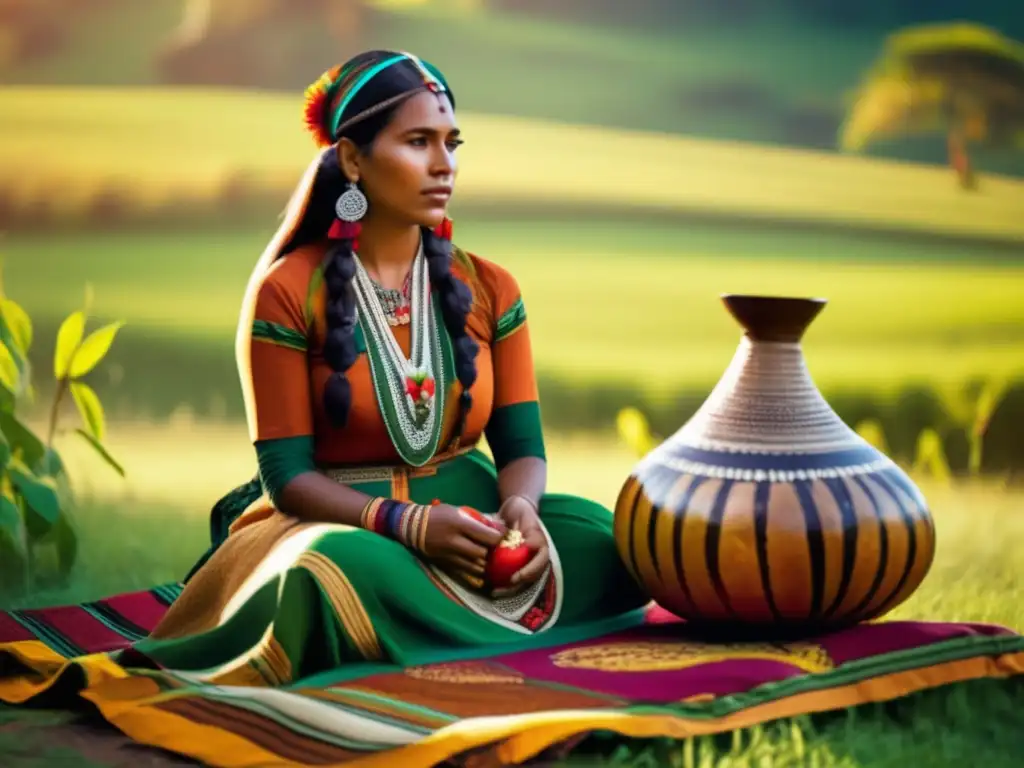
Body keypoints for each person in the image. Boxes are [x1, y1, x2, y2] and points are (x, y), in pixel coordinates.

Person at [118, 50, 650, 680]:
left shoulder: (492, 288)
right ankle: (431, 623)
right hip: (343, 526)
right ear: (351, 159)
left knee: (615, 543)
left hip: (476, 529)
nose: (443, 164)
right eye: (418, 141)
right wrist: (408, 524)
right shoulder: (289, 291)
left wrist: (522, 513)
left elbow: (522, 449)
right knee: (323, 575)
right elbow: (285, 476)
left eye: (451, 143)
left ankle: (415, 630)